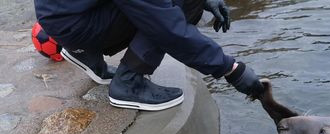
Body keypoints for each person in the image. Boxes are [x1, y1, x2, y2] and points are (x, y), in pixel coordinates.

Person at [34, 0, 265, 111]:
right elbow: (166, 25)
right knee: (178, 7)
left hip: (65, 14)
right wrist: (230, 69)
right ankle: (128, 84)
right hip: (76, 25)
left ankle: (86, 54)